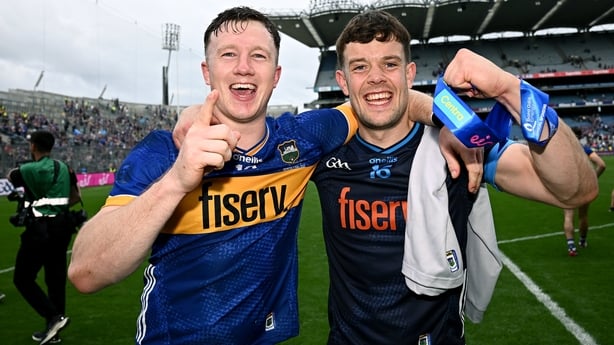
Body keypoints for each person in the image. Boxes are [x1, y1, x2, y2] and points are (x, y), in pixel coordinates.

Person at [68, 7, 476, 345]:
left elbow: (389, 100)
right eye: (228, 55)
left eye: (258, 56)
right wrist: (177, 179)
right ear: (207, 72)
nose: (244, 68)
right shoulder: (161, 153)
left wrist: (452, 122)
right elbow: (86, 272)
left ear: (276, 75)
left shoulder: (303, 139)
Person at [309, 11, 598, 344]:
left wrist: (511, 90)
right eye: (360, 67)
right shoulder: (325, 151)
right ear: (343, 81)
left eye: (389, 64)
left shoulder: (461, 146)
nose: (376, 78)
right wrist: (442, 113)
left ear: (409, 73)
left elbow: (577, 190)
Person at [7, 131, 73, 345]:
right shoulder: (64, 167)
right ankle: (54, 330)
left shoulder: (28, 170)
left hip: (40, 229)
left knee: (22, 278)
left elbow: (12, 177)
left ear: (33, 146)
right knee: (55, 280)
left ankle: (53, 317)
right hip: (62, 226)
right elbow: (75, 196)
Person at [563, 126, 605, 256]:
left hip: (568, 186)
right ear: (580, 136)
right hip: (583, 186)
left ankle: (571, 246)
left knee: (568, 216)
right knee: (583, 215)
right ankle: (582, 241)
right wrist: (593, 178)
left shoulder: (563, 151)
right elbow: (602, 165)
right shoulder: (584, 149)